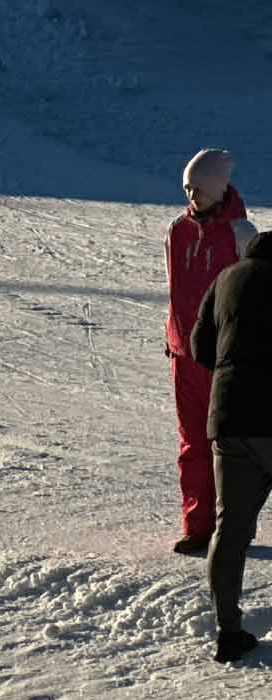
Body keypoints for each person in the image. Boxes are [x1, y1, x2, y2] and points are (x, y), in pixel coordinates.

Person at [166, 149, 257, 556]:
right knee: (191, 443)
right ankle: (196, 526)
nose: (191, 195)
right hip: (185, 356)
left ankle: (229, 527)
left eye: (198, 188)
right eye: (187, 187)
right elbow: (176, 291)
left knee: (229, 444)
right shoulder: (177, 231)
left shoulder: (241, 234)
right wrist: (175, 339)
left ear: (218, 188)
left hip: (225, 358)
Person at [191, 228, 272, 664]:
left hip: (229, 418)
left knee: (231, 529)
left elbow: (198, 348)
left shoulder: (225, 279)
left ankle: (228, 631)